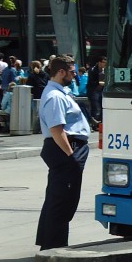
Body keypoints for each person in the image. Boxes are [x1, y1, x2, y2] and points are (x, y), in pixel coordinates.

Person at [35, 55, 91, 250]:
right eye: (72, 72)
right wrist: (71, 156)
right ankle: (54, 245)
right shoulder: (55, 96)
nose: (74, 75)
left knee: (57, 195)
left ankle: (49, 241)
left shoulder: (59, 92)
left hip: (68, 147)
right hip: (65, 148)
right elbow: (56, 130)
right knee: (63, 199)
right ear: (61, 72)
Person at [87, 55, 106, 126]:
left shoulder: (106, 70)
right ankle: (94, 123)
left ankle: (100, 122)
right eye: (103, 62)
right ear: (99, 62)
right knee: (95, 107)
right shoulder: (92, 70)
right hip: (94, 90)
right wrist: (99, 83)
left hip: (102, 90)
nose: (105, 64)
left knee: (102, 106)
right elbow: (91, 81)